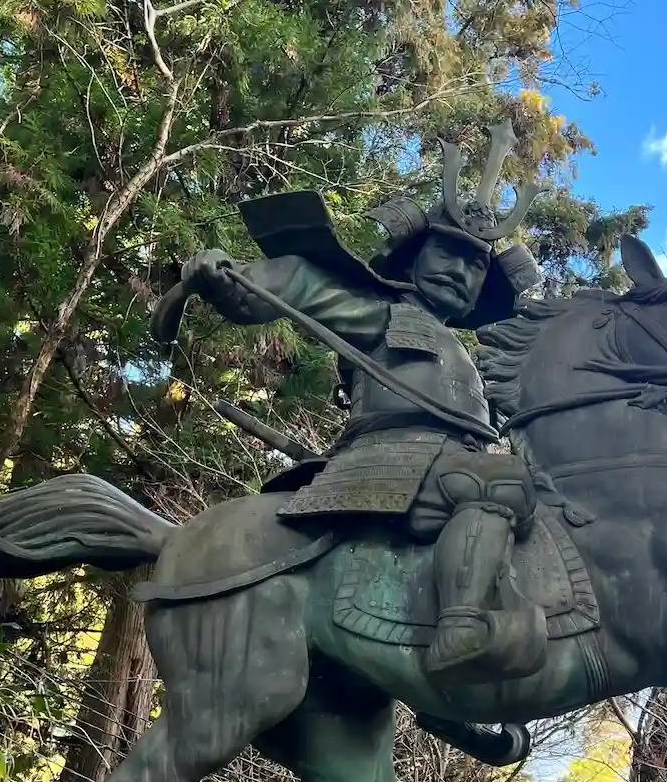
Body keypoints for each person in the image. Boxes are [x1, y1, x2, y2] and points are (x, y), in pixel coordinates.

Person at [165, 122, 548, 686]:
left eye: (475, 266)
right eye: (448, 253)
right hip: (397, 460)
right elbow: (299, 284)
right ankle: (462, 630)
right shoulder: (384, 313)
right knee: (499, 484)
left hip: (451, 466)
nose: (460, 271)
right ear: (413, 258)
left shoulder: (465, 357)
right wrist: (228, 280)